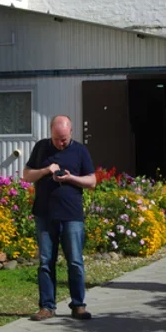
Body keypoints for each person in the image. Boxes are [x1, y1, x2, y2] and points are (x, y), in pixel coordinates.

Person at [23, 115, 97, 320]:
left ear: (71, 132)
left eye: (63, 138)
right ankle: (47, 306)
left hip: (72, 215)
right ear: (51, 133)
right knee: (46, 262)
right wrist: (47, 170)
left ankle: (78, 305)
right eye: (56, 138)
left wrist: (71, 178)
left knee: (75, 261)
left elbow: (92, 181)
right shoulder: (41, 148)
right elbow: (27, 176)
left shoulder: (80, 150)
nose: (60, 142)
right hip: (45, 214)